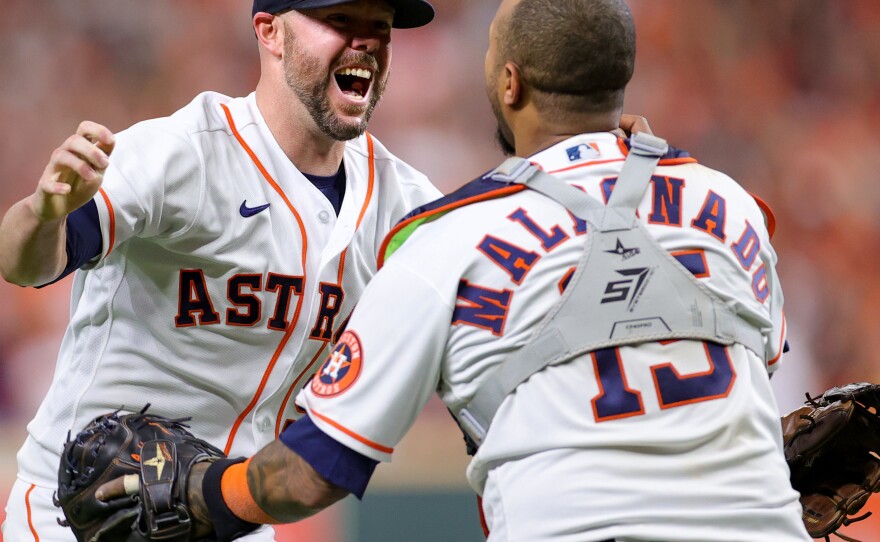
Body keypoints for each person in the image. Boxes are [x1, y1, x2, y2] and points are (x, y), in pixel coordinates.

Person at [100, 0, 813, 540]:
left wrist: (199, 492)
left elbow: (309, 472)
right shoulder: (734, 205)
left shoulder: (445, 241)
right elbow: (754, 362)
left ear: (508, 82)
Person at [0, 1, 443, 540]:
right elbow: (24, 262)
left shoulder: (409, 205)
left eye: (380, 26)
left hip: (231, 515)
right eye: (340, 21)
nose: (367, 41)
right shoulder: (185, 152)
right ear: (270, 32)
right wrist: (41, 213)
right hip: (85, 511)